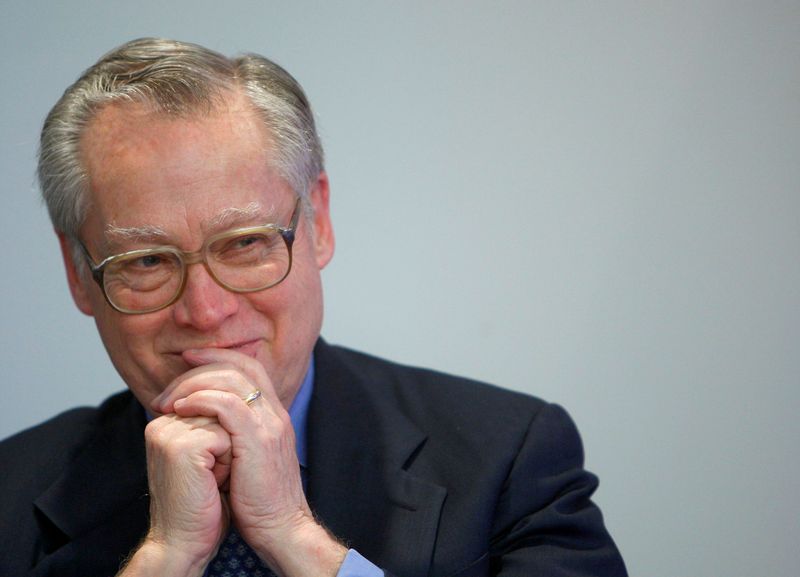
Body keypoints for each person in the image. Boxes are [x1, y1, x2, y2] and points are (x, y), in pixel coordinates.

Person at [0, 38, 627, 577]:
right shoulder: (10, 491)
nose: (206, 311)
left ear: (319, 222)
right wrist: (165, 557)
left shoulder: (511, 460)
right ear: (78, 275)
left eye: (244, 243)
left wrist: (294, 538)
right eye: (146, 261)